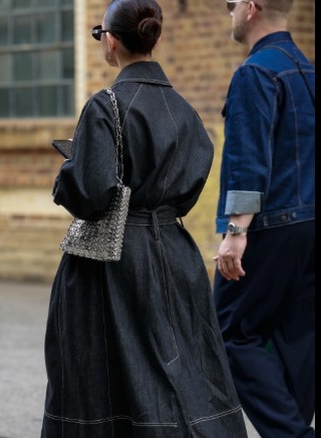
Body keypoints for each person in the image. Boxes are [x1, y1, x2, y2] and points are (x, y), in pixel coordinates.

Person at [42, 0, 248, 436]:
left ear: (112, 42)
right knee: (183, 371)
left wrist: (68, 173)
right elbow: (191, 186)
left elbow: (89, 193)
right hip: (175, 253)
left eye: (100, 34)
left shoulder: (105, 105)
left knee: (103, 379)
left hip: (110, 264)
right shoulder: (187, 112)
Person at [213, 0, 315, 436]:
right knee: (298, 338)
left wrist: (236, 231)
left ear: (251, 8)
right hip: (310, 225)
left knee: (230, 332)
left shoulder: (255, 73)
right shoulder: (307, 71)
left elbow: (248, 158)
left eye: (232, 4)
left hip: (273, 225)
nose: (229, 11)